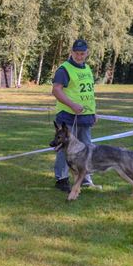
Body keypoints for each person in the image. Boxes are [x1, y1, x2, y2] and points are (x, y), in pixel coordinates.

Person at [51, 38, 97, 192]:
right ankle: (62, 179)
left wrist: (94, 112)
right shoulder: (64, 69)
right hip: (68, 116)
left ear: (87, 53)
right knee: (66, 148)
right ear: (71, 53)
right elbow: (56, 90)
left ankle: (84, 178)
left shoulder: (88, 68)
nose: (79, 56)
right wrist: (72, 105)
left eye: (82, 53)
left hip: (85, 117)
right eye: (76, 53)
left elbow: (89, 93)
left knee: (87, 148)